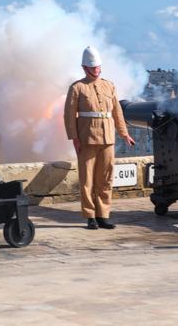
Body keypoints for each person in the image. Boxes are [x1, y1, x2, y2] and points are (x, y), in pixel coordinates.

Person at [64, 46, 135, 230]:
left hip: (107, 137)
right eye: (92, 68)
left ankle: (103, 214)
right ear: (85, 68)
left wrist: (124, 133)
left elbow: (117, 111)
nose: (96, 71)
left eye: (98, 68)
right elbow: (69, 115)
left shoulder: (109, 85)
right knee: (87, 180)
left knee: (105, 178)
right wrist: (74, 137)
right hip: (87, 137)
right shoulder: (77, 87)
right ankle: (90, 216)